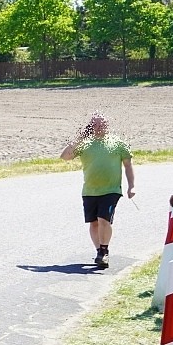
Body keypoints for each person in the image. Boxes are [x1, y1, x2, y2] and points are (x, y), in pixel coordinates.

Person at [59, 112, 135, 268]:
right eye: (95, 124)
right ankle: (99, 251)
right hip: (89, 191)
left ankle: (104, 251)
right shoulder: (84, 144)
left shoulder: (118, 143)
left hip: (111, 189)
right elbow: (65, 156)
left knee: (103, 220)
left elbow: (128, 165)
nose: (99, 127)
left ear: (107, 126)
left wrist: (131, 186)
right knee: (93, 223)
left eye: (102, 124)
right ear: (90, 127)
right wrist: (80, 138)